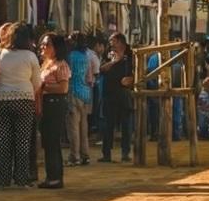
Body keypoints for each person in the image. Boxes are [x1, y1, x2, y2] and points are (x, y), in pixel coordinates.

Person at [0, 22, 41, 188]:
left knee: (3, 140)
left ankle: (3, 179)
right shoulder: (30, 56)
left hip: (1, 100)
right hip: (25, 100)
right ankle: (21, 179)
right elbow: (37, 82)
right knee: (23, 141)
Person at [37, 32, 70, 189]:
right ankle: (52, 176)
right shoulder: (46, 64)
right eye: (42, 44)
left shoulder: (60, 65)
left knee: (52, 142)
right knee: (48, 142)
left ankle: (55, 178)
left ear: (56, 47)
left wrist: (44, 87)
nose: (43, 47)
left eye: (47, 44)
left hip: (55, 104)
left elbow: (63, 88)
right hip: (46, 104)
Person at [99, 33, 135, 163]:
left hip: (124, 93)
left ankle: (126, 152)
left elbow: (138, 70)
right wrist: (114, 62)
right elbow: (101, 69)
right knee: (108, 124)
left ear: (120, 42)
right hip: (109, 92)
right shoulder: (109, 53)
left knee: (126, 124)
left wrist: (132, 79)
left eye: (112, 41)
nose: (110, 43)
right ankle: (106, 154)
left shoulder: (131, 53)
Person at [66, 32, 96, 166]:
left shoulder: (70, 57)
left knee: (73, 127)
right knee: (84, 126)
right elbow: (90, 78)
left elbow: (68, 75)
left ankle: (74, 156)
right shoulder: (86, 56)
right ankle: (85, 155)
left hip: (73, 93)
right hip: (86, 93)